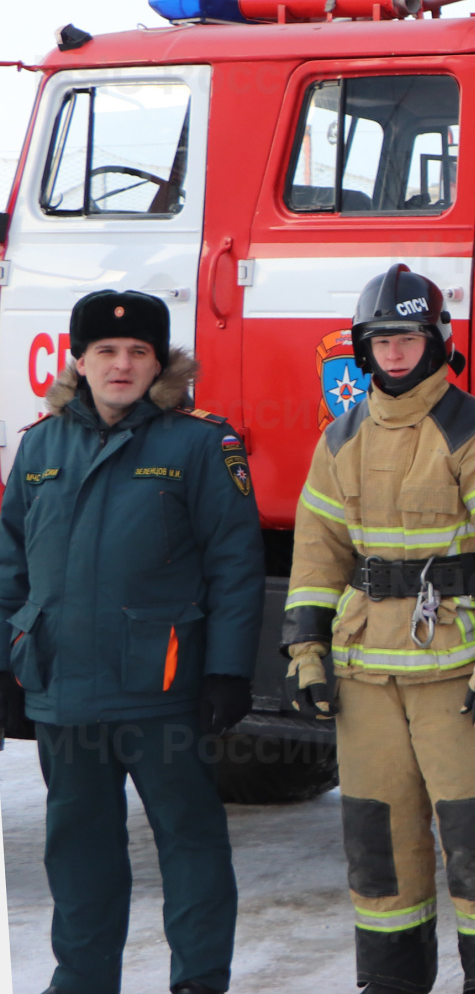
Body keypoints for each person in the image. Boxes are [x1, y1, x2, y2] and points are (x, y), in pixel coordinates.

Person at [279, 264, 475, 994]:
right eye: (380, 341)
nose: (394, 354)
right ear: (362, 350)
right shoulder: (340, 440)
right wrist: (307, 649)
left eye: (407, 337)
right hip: (366, 678)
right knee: (378, 853)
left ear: (437, 340)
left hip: (460, 676)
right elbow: (316, 552)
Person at [0, 289, 264, 994]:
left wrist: (228, 672)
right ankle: (82, 982)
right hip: (66, 693)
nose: (122, 365)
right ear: (78, 360)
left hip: (162, 693)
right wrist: (7, 668)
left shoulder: (201, 443)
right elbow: (11, 568)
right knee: (79, 854)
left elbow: (235, 565)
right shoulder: (38, 445)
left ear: (159, 362)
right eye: (106, 352)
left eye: (137, 352)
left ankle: (199, 981)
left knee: (191, 845)